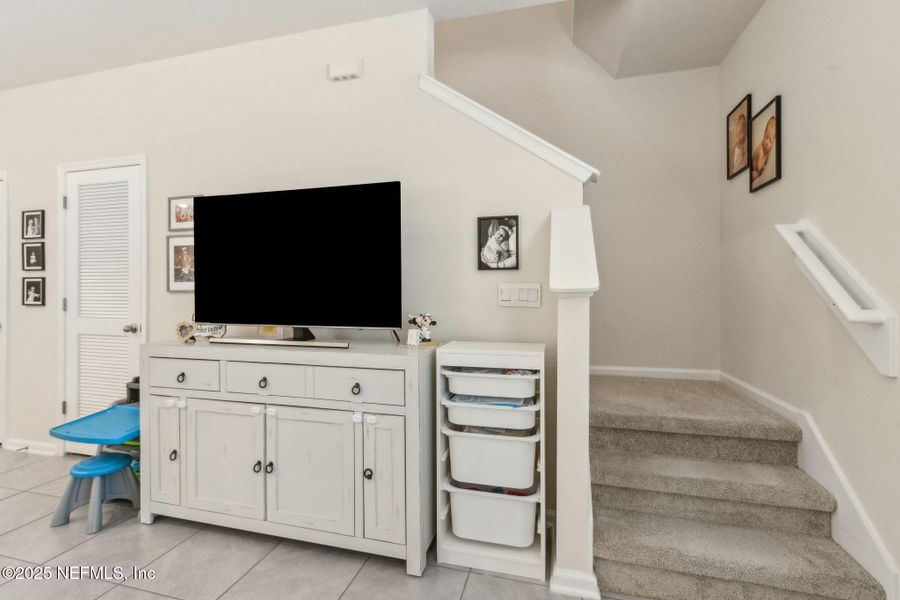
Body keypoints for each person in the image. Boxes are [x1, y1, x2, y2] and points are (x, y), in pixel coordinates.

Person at [752, 116, 777, 181]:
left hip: (756, 166)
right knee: (755, 174)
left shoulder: (768, 150)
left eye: (770, 141)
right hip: (754, 167)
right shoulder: (760, 150)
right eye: (766, 137)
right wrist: (763, 166)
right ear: (764, 134)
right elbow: (758, 167)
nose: (767, 142)